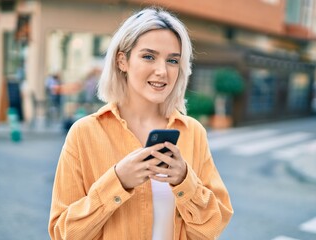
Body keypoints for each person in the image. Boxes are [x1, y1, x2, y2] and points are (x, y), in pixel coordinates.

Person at [48, 7, 233, 240]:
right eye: (148, 56)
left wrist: (185, 181)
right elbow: (63, 233)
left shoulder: (193, 133)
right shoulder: (84, 133)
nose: (162, 71)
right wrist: (117, 181)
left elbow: (212, 228)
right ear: (122, 60)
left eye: (173, 60)